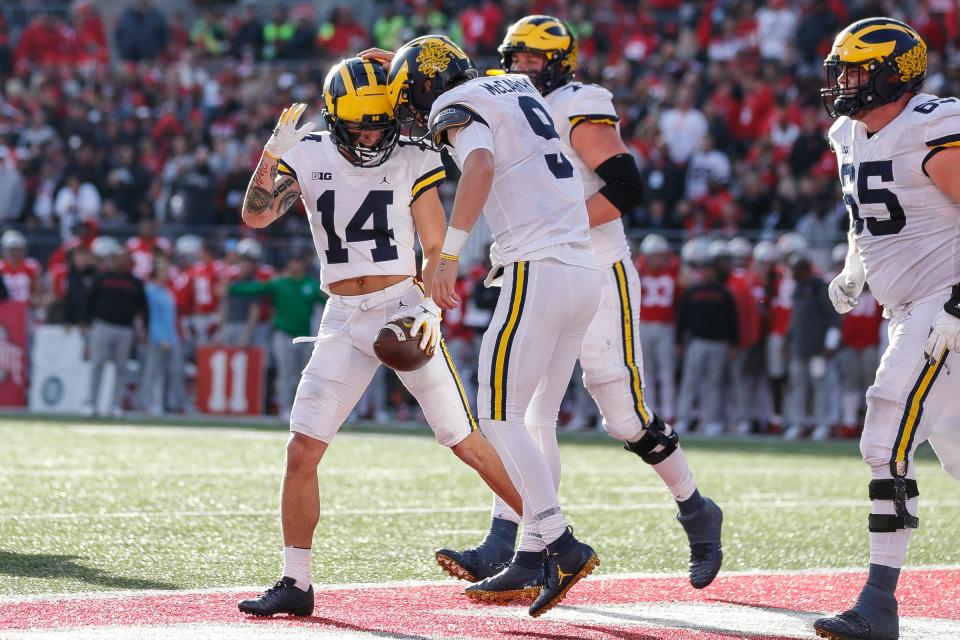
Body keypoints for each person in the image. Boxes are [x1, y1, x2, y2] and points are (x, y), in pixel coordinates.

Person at [430, 15, 722, 596]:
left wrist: (555, 224)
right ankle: (516, 544)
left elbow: (626, 186)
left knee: (622, 415)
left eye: (535, 60)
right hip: (546, 264)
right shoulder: (505, 95)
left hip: (595, 262)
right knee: (527, 412)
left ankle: (694, 507)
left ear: (561, 63)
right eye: (516, 57)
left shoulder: (578, 102)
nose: (522, 68)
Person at [235, 58, 522, 618]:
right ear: (336, 118)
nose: (371, 135)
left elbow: (436, 243)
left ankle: (548, 541)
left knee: (463, 441)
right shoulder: (310, 151)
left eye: (379, 123)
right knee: (302, 450)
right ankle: (296, 580)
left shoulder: (413, 156)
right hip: (342, 315)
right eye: (360, 125)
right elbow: (257, 217)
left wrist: (431, 303)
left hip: (400, 307)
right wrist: (271, 155)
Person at [381, 33, 604, 618]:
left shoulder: (457, 107)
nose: (410, 111)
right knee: (535, 418)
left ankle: (558, 540)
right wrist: (407, 64)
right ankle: (530, 555)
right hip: (583, 267)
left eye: (410, 96)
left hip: (538, 268)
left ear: (427, 87)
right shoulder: (516, 87)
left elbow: (478, 163)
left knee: (497, 416)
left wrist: (449, 254)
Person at [815, 18, 960, 640]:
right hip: (905, 308)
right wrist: (855, 264)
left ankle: (879, 603)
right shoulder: (846, 132)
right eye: (841, 68)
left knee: (885, 431)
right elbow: (868, 213)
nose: (844, 81)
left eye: (858, 69)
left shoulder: (932, 126)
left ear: (896, 74)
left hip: (943, 301)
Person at [228, 254, 324, 421]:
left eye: (298, 262)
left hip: (304, 336)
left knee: (303, 376)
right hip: (283, 334)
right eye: (293, 262)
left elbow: (326, 300)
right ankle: (285, 408)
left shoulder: (311, 285)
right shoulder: (280, 284)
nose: (295, 266)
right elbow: (256, 288)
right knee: (285, 374)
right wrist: (232, 288)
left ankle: (301, 410)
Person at [84, 249, 148, 417]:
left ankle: (116, 405)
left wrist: (144, 330)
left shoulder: (135, 282)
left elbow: (143, 308)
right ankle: (91, 403)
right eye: (120, 259)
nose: (123, 263)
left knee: (121, 369)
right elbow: (89, 300)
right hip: (103, 325)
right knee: (98, 365)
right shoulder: (103, 278)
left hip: (125, 328)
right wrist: (88, 321)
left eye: (126, 260)